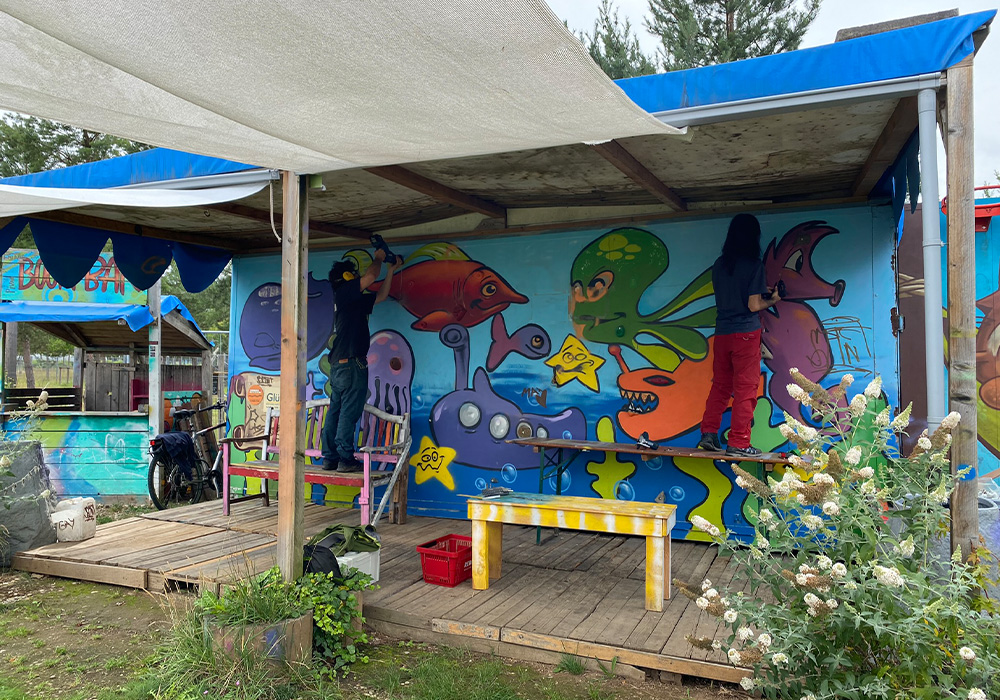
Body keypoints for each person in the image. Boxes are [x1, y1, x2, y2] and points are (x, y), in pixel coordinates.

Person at [697, 213, 780, 458]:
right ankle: (739, 442)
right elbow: (753, 305)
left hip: (722, 333)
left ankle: (709, 433)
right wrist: (772, 299)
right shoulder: (754, 265)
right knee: (746, 388)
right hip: (745, 333)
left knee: (721, 385)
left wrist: (758, 290)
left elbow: (733, 293)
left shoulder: (720, 265)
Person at [322, 248, 401, 472]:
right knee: (348, 412)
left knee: (336, 411)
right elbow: (371, 277)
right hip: (352, 364)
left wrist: (391, 270)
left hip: (340, 365)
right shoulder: (345, 291)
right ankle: (345, 458)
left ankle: (330, 457)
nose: (358, 277)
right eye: (354, 274)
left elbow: (381, 296)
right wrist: (378, 258)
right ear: (347, 276)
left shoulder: (350, 299)